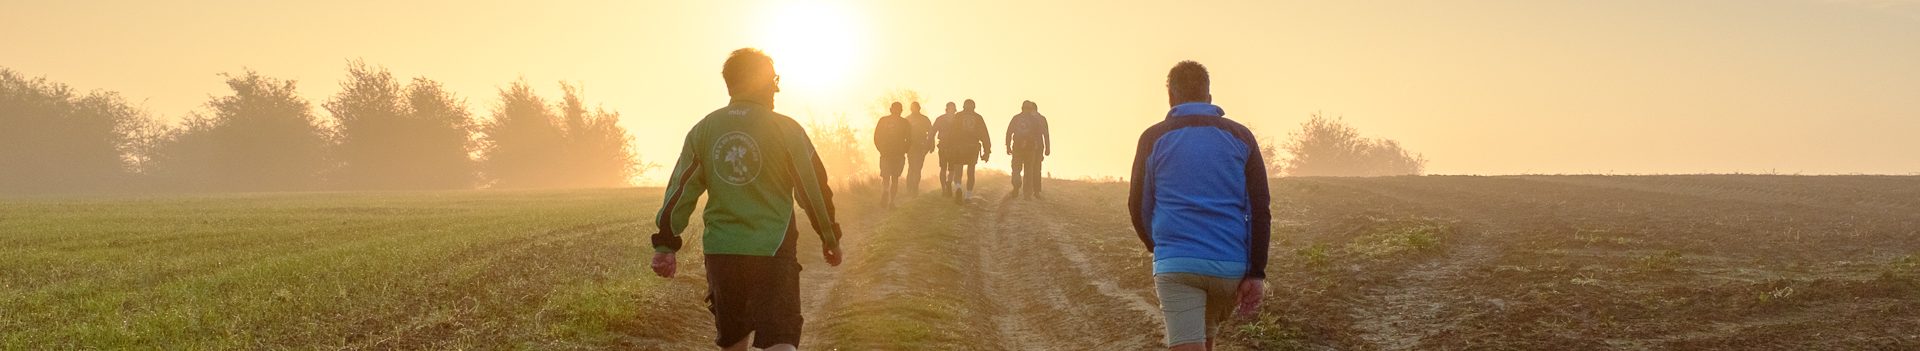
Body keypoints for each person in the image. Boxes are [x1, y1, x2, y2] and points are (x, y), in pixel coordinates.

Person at [652, 48, 845, 351]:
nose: (776, 88)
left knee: (734, 342)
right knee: (780, 339)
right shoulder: (787, 129)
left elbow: (680, 190)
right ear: (767, 83)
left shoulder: (704, 129)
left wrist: (666, 244)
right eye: (774, 80)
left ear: (730, 84)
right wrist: (829, 236)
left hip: (722, 252)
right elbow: (813, 190)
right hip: (772, 251)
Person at [1127, 61, 1270, 351]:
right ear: (1208, 96)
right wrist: (1256, 272)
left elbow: (1137, 204)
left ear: (1171, 98)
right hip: (1229, 266)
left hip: (1177, 263)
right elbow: (1259, 209)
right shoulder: (1241, 137)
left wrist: (1158, 245)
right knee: (1205, 341)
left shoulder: (1153, 138)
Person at [932, 99, 990, 203]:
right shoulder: (978, 118)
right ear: (974, 107)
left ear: (963, 106)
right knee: (971, 172)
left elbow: (951, 132)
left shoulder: (958, 116)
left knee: (958, 171)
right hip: (973, 148)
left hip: (958, 148)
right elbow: (984, 135)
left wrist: (949, 147)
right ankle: (968, 196)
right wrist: (987, 151)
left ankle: (958, 188)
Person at [1004, 100, 1050, 200]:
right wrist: (1045, 148)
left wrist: (1007, 146)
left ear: (1022, 108)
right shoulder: (1036, 120)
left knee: (1016, 169)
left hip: (1018, 148)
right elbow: (1042, 135)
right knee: (1029, 172)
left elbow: (1009, 132)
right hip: (1030, 149)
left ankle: (1016, 184)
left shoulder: (1016, 118)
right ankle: (1027, 195)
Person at [873, 102, 912, 208]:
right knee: (895, 178)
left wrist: (881, 149)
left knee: (885, 176)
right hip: (898, 154)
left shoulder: (883, 120)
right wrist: (904, 150)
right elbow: (909, 139)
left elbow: (876, 137)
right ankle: (892, 202)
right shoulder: (905, 122)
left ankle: (885, 191)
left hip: (886, 153)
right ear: (901, 110)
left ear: (891, 109)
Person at [927, 102, 958, 197]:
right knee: (952, 168)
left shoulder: (940, 119)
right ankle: (948, 182)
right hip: (954, 147)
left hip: (944, 146)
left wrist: (931, 145)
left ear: (946, 109)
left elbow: (932, 132)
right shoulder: (958, 119)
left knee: (943, 168)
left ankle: (944, 189)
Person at [904, 102, 934, 196]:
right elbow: (902, 133)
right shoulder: (907, 119)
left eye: (916, 108)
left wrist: (931, 145)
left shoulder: (924, 119)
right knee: (912, 167)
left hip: (921, 147)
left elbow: (931, 133)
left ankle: (915, 188)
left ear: (919, 108)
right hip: (910, 146)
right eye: (913, 108)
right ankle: (909, 188)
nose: (914, 109)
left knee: (917, 168)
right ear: (910, 109)